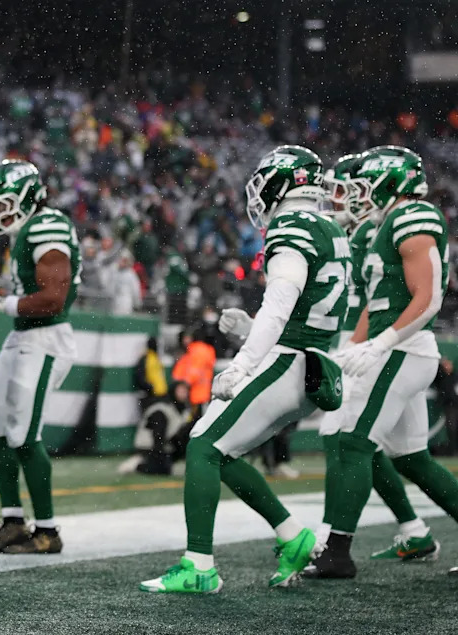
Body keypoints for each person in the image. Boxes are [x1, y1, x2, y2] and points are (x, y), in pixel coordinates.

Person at [141, 145, 349, 593]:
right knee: (223, 452)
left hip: (287, 362)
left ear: (284, 183)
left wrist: (242, 363)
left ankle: (199, 567)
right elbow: (309, 313)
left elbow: (281, 302)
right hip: (312, 364)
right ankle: (293, 536)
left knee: (202, 445)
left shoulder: (291, 226)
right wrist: (251, 329)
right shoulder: (330, 228)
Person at [310, 145, 458, 579]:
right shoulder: (388, 222)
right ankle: (406, 532)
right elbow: (375, 304)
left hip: (403, 350)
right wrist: (351, 350)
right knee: (411, 458)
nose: (358, 194)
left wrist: (380, 344)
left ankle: (336, 551)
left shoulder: (413, 215)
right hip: (394, 347)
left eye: (364, 185)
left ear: (390, 182)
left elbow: (428, 298)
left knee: (353, 442)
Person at [0, 159, 81, 554]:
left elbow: (53, 299)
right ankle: (13, 522)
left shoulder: (47, 225)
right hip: (23, 336)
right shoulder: (27, 230)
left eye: (3, 205)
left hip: (46, 338)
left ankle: (48, 531)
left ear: (28, 197)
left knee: (23, 433)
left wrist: (2, 304)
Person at [118, 381, 193, 476]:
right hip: (149, 446)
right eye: (180, 391)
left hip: (167, 444)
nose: (184, 394)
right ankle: (138, 463)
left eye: (185, 391)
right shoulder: (161, 409)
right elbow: (158, 435)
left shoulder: (185, 410)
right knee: (160, 470)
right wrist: (160, 457)